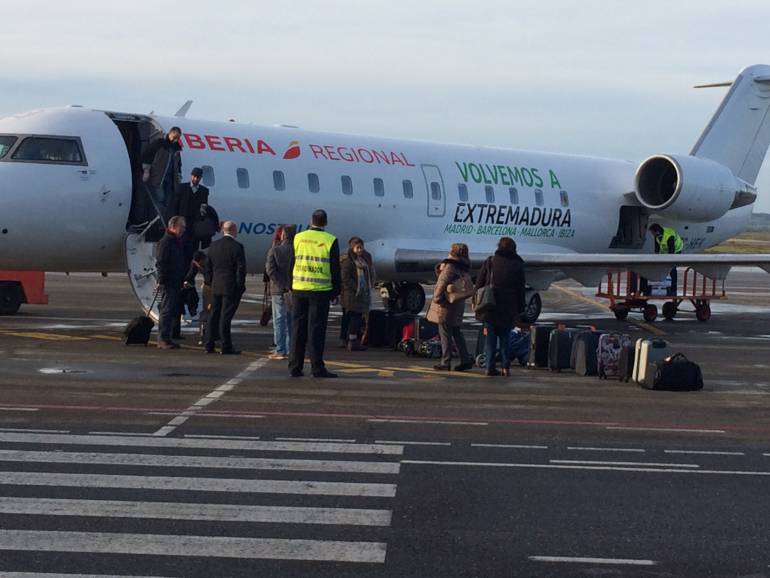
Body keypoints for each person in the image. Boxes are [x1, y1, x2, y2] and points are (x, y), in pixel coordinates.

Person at [288, 209, 341, 378]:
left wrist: (291, 284)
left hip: (299, 288)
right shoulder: (330, 240)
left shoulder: (298, 237)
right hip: (320, 291)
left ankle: (294, 366)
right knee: (316, 330)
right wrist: (336, 290)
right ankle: (317, 367)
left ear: (310, 220)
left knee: (298, 329)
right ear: (325, 222)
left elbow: (292, 262)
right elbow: (334, 268)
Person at [475, 237, 526, 377]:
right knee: (505, 339)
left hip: (490, 305)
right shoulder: (517, 264)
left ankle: (489, 366)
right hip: (508, 307)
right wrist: (521, 308)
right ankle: (505, 367)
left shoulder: (491, 261)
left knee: (490, 340)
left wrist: (476, 301)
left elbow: (479, 283)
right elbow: (521, 289)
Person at [426, 243, 475, 372]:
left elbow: (442, 283)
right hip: (457, 303)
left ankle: (445, 361)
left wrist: (437, 299)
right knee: (457, 332)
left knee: (445, 333)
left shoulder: (450, 266)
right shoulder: (464, 266)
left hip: (446, 305)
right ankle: (465, 359)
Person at [203, 221, 246, 355]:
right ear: (234, 230)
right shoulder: (237, 247)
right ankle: (226, 345)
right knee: (225, 317)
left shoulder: (213, 246)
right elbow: (241, 269)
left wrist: (210, 282)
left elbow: (207, 267)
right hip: (230, 286)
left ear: (223, 230)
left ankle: (208, 344)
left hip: (216, 285)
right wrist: (240, 286)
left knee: (213, 315)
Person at [156, 216, 187, 349]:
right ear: (172, 227)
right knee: (166, 310)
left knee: (171, 310)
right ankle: (162, 339)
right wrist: (161, 280)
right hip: (169, 281)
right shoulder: (166, 242)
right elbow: (161, 262)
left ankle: (167, 337)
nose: (183, 230)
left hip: (175, 280)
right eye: (181, 227)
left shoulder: (176, 241)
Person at [265, 224, 296, 360]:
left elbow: (270, 270)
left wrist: (281, 285)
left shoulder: (275, 250)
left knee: (279, 320)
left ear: (283, 235)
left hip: (278, 290)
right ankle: (291, 348)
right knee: (291, 320)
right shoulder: (298, 252)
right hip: (293, 289)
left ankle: (280, 349)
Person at [340, 237, 375, 351]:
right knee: (353, 317)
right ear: (352, 248)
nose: (360, 250)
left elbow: (370, 273)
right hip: (352, 295)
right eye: (357, 248)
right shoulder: (348, 261)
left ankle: (351, 340)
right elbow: (345, 278)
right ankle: (351, 341)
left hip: (360, 295)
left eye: (361, 247)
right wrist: (357, 288)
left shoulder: (364, 259)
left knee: (357, 317)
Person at [171, 167, 212, 262]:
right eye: (194, 177)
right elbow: (175, 206)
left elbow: (204, 207)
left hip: (195, 225)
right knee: (180, 249)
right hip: (182, 224)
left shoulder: (204, 191)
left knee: (192, 249)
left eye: (198, 177)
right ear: (191, 176)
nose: (196, 179)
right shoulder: (182, 188)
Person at [142, 127, 183, 219]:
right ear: (170, 133)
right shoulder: (159, 144)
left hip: (170, 179)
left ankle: (162, 220)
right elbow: (148, 155)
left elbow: (178, 164)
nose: (176, 140)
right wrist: (146, 170)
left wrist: (179, 176)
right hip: (158, 177)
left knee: (167, 201)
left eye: (178, 138)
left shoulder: (176, 149)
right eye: (175, 137)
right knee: (160, 199)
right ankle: (158, 220)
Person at [649, 223, 683, 296]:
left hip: (676, 250)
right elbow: (657, 247)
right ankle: (664, 285)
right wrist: (656, 257)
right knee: (664, 267)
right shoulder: (657, 235)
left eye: (652, 232)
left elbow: (671, 251)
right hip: (666, 251)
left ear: (657, 231)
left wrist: (668, 262)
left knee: (672, 269)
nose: (652, 234)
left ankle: (673, 290)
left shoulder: (669, 236)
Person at [185, 251, 211, 345]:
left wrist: (200, 267)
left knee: (208, 311)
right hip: (209, 287)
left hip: (211, 287)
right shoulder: (202, 262)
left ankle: (206, 334)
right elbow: (191, 274)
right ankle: (207, 334)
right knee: (208, 311)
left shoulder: (208, 263)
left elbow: (209, 276)